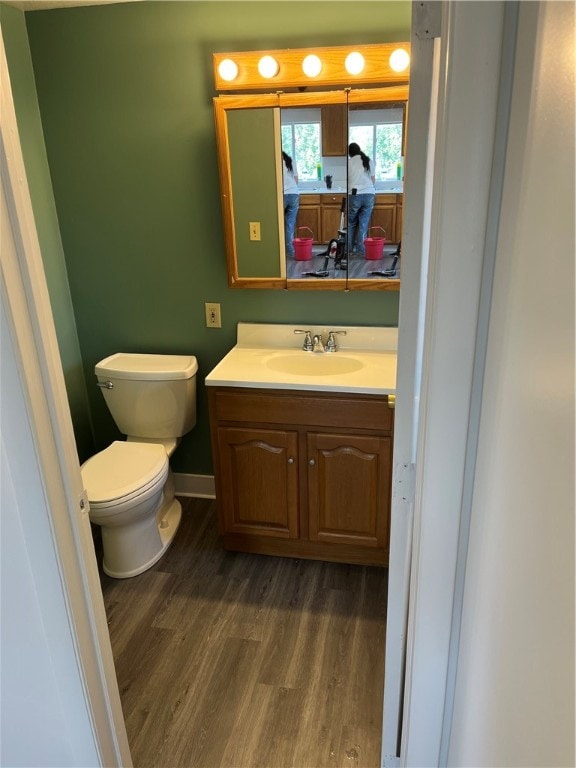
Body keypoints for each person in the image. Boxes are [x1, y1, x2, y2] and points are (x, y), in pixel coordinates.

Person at [347, 142, 376, 257]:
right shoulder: (368, 160)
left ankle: (349, 250)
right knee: (363, 224)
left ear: (350, 153)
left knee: (351, 223)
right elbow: (373, 180)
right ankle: (361, 251)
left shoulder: (349, 163)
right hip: (369, 194)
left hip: (355, 194)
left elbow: (349, 180)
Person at [282, 151, 299, 258]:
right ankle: (291, 251)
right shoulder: (291, 160)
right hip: (294, 194)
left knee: (277, 223)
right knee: (290, 224)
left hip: (282, 194)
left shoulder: (274, 162)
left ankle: (279, 251)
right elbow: (296, 180)